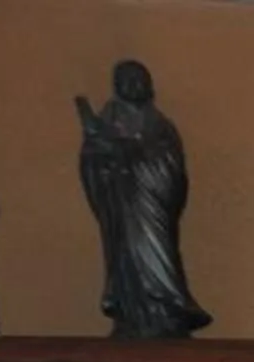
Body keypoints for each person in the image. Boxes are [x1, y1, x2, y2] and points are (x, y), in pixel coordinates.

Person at [74, 61, 210, 340]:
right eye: (128, 80)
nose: (135, 85)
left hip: (151, 206)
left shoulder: (160, 126)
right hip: (124, 208)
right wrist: (104, 155)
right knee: (128, 256)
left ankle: (166, 307)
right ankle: (135, 312)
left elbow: (170, 167)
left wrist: (131, 152)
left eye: (140, 79)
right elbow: (92, 164)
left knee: (157, 251)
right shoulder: (108, 119)